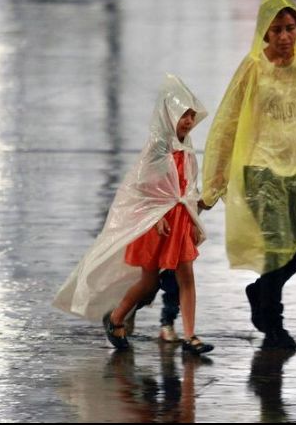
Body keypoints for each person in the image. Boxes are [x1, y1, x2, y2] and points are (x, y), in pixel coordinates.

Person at [199, 0, 296, 349]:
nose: (285, 36)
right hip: (260, 166)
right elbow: (228, 122)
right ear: (264, 33)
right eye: (277, 29)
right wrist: (215, 182)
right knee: (278, 246)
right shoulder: (253, 68)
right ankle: (273, 322)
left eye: (291, 28)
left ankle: (260, 291)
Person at [53, 74, 213, 355]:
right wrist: (157, 214)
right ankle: (116, 318)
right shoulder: (158, 145)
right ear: (169, 115)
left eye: (191, 115)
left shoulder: (185, 147)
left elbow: (187, 185)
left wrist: (194, 213)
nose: (188, 121)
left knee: (186, 276)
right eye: (183, 115)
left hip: (178, 220)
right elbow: (141, 184)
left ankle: (190, 336)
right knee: (149, 282)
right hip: (156, 223)